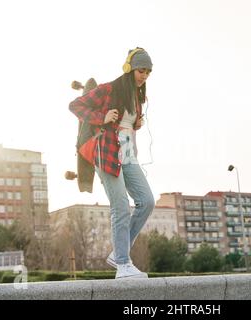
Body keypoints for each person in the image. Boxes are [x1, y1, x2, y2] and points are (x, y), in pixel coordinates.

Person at [69, 48, 155, 279]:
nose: (144, 75)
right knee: (120, 207)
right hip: (107, 153)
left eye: (147, 72)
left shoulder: (137, 97)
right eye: (140, 70)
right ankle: (123, 264)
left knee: (146, 201)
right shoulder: (109, 89)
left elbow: (127, 125)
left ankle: (119, 251)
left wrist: (136, 123)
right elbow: (75, 105)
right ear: (129, 68)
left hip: (128, 155)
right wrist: (101, 117)